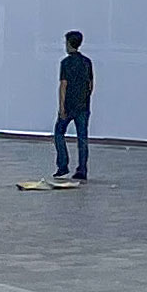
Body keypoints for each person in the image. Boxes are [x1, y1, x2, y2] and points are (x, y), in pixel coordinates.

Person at [51, 31, 94, 184]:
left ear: (69, 43)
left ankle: (63, 164)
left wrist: (61, 107)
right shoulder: (87, 62)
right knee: (82, 139)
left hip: (69, 105)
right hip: (83, 106)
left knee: (59, 133)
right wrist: (85, 98)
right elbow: (90, 85)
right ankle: (82, 169)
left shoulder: (66, 63)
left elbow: (63, 85)